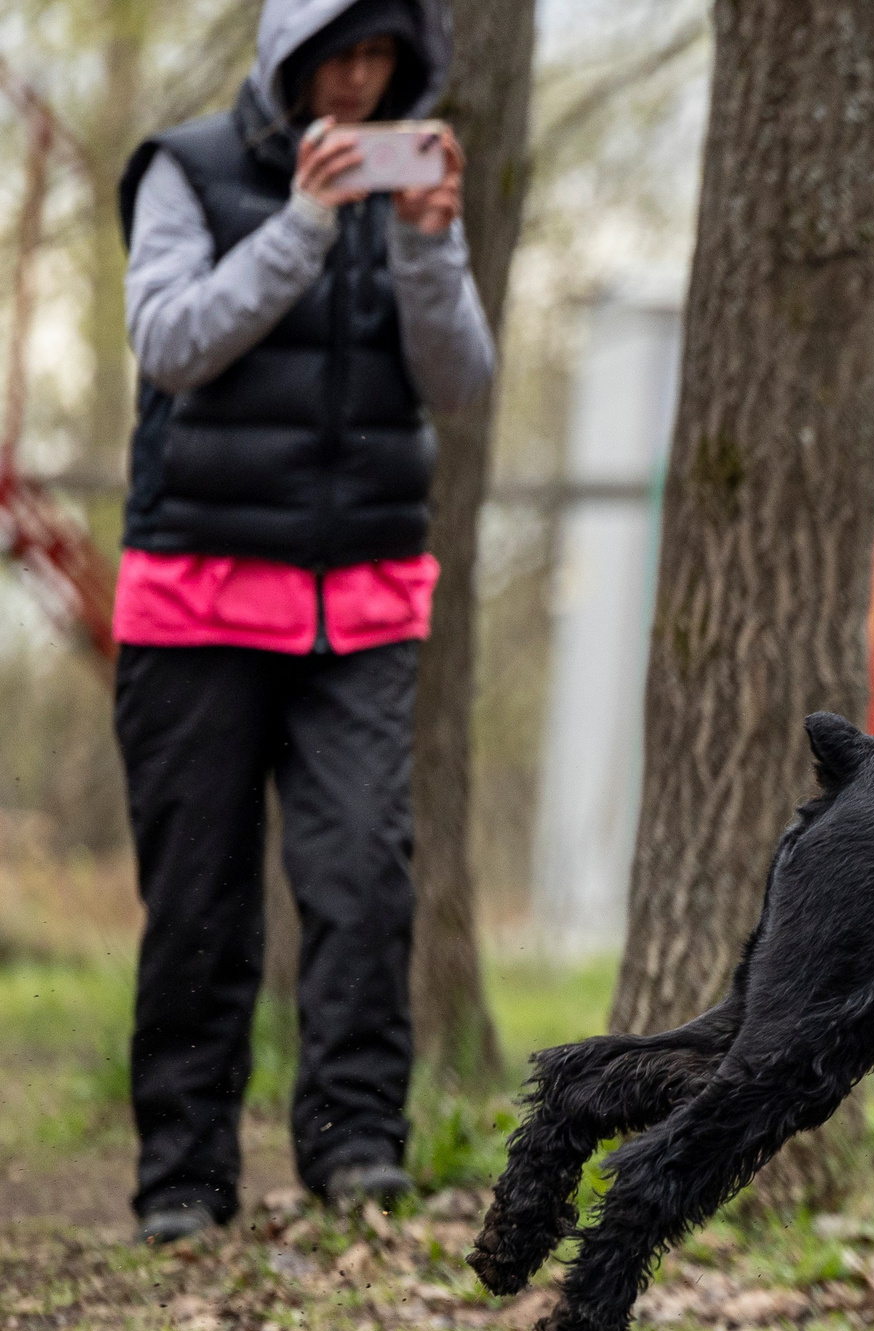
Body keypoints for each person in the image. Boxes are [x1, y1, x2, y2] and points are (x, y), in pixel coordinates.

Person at [113, 0, 491, 1245]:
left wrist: (425, 245)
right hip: (197, 603)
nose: (361, 80)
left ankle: (354, 1146)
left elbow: (462, 382)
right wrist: (302, 226)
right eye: (339, 56)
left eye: (383, 58)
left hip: (361, 605)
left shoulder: (410, 179)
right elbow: (171, 341)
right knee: (202, 899)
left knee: (362, 878)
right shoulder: (186, 170)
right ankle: (182, 1174)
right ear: (286, 59)